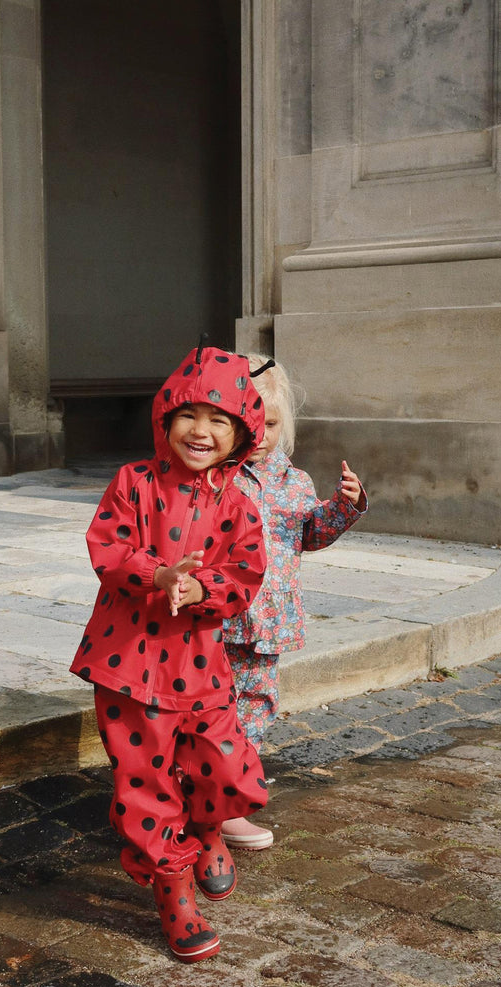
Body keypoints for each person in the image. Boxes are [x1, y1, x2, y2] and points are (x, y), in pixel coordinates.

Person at [70, 343, 271, 964]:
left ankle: (208, 830)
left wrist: (203, 588)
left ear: (242, 433)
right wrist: (158, 576)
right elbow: (108, 546)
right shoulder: (134, 482)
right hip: (128, 665)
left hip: (201, 664)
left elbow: (245, 573)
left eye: (219, 420)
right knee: (147, 784)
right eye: (189, 414)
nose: (201, 430)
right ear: (165, 418)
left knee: (224, 765)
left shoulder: (238, 504)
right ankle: (173, 890)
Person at [220, 354, 367, 851]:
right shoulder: (217, 478)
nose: (260, 434)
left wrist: (344, 505)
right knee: (209, 708)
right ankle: (192, 794)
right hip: (218, 620)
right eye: (248, 422)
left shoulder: (295, 481)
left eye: (271, 424)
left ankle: (230, 803)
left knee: (256, 708)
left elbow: (310, 534)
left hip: (269, 622)